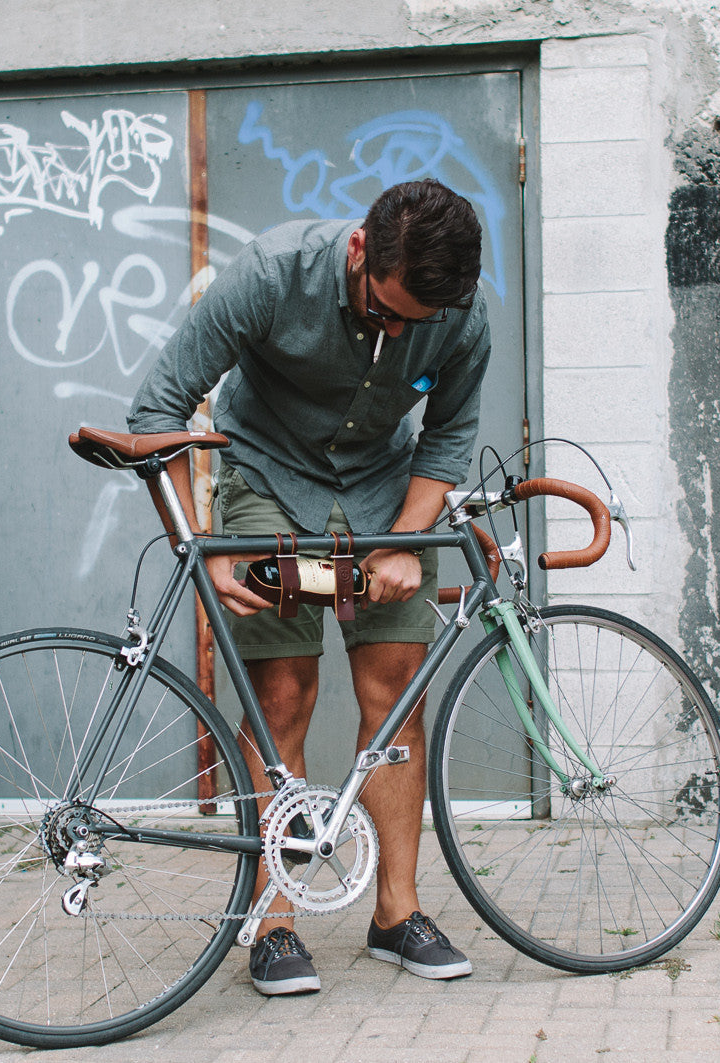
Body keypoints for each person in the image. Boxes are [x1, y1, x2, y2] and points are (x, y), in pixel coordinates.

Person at [127, 178, 490, 996]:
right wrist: (208, 551)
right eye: (385, 311)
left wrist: (403, 539)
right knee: (282, 695)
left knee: (396, 696)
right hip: (265, 480)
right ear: (360, 250)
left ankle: (396, 913)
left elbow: (452, 430)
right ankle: (274, 918)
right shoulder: (270, 273)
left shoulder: (457, 309)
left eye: (414, 325)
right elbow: (159, 405)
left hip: (385, 490)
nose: (396, 332)